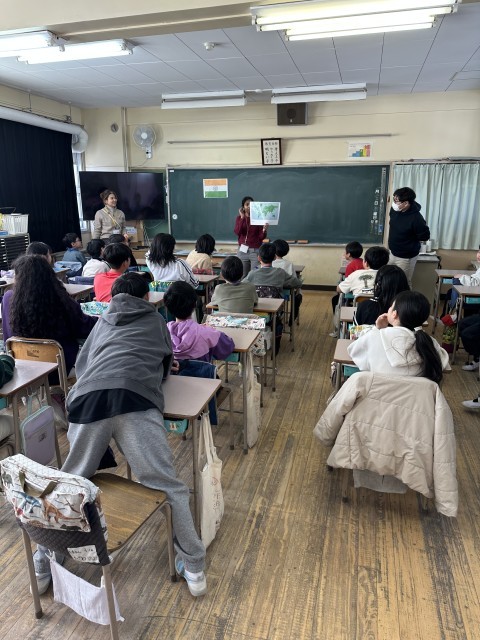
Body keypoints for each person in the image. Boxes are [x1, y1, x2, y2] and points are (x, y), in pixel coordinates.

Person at [33, 272, 207, 598]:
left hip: (89, 402)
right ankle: (195, 568)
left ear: (112, 297)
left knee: (70, 482)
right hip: (136, 401)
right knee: (167, 485)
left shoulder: (102, 322)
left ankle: (45, 560)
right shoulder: (156, 321)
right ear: (146, 297)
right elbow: (165, 364)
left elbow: (83, 366)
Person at [1, 255, 97, 375]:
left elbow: (7, 334)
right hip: (60, 370)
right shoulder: (59, 298)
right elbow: (83, 328)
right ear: (49, 275)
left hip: (24, 371)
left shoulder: (8, 298)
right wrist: (101, 319)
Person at [348, 290, 449, 382]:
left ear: (394, 314)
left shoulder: (374, 337)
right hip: (414, 396)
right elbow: (442, 362)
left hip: (379, 394)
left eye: (391, 307)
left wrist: (376, 329)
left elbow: (354, 353)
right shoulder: (430, 343)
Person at [164, 281, 234, 362]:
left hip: (171, 370)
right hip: (201, 370)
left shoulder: (162, 334)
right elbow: (227, 347)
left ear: (167, 306)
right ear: (195, 304)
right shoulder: (206, 333)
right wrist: (208, 330)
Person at [388, 187, 430, 287]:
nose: (394, 203)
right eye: (394, 199)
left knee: (404, 283)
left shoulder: (416, 218)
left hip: (406, 257)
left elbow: (424, 236)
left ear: (406, 203)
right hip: (392, 253)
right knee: (388, 280)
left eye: (397, 201)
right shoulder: (395, 209)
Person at [234, 196, 269, 278]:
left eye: (251, 204)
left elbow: (261, 237)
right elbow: (237, 232)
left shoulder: (258, 219)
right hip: (242, 250)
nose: (249, 206)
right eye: (247, 204)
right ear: (243, 207)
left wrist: (264, 230)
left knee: (255, 274)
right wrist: (242, 217)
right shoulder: (239, 218)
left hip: (255, 251)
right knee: (242, 275)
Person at [272, 238, 303, 321]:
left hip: (268, 293)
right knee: (298, 292)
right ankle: (291, 317)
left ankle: (279, 314)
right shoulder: (289, 264)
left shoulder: (269, 262)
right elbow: (294, 279)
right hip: (285, 293)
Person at [331, 240, 364, 314]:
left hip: (355, 293)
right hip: (365, 292)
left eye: (345, 252)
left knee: (335, 298)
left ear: (348, 254)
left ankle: (339, 315)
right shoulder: (364, 262)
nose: (344, 253)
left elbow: (348, 282)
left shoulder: (350, 266)